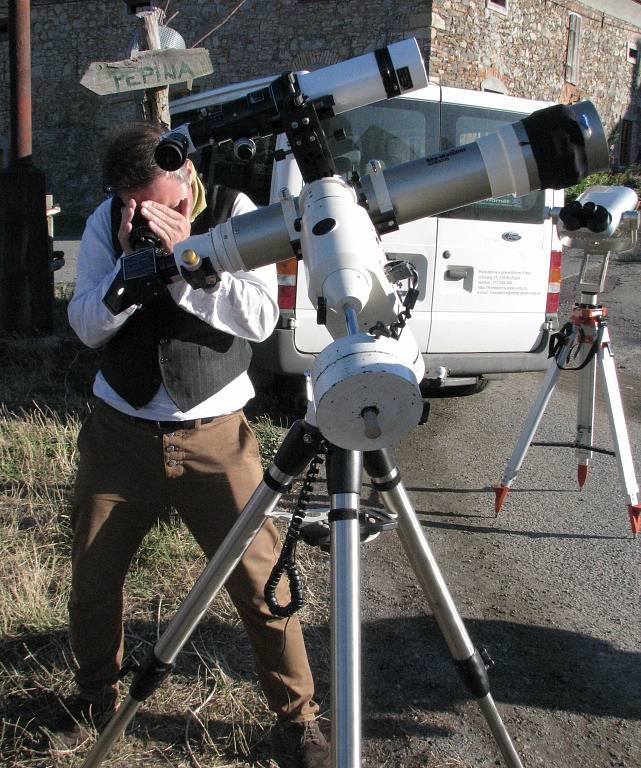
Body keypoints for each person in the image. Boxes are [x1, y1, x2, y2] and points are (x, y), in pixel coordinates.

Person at [60, 121, 329, 768]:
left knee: (260, 581)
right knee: (93, 579)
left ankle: (298, 720)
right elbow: (85, 326)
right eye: (140, 207)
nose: (161, 217)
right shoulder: (107, 221)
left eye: (171, 204)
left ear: (188, 178)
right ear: (122, 198)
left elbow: (261, 317)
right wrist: (129, 272)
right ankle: (95, 693)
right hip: (120, 432)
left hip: (215, 435)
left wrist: (192, 264)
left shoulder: (236, 211)